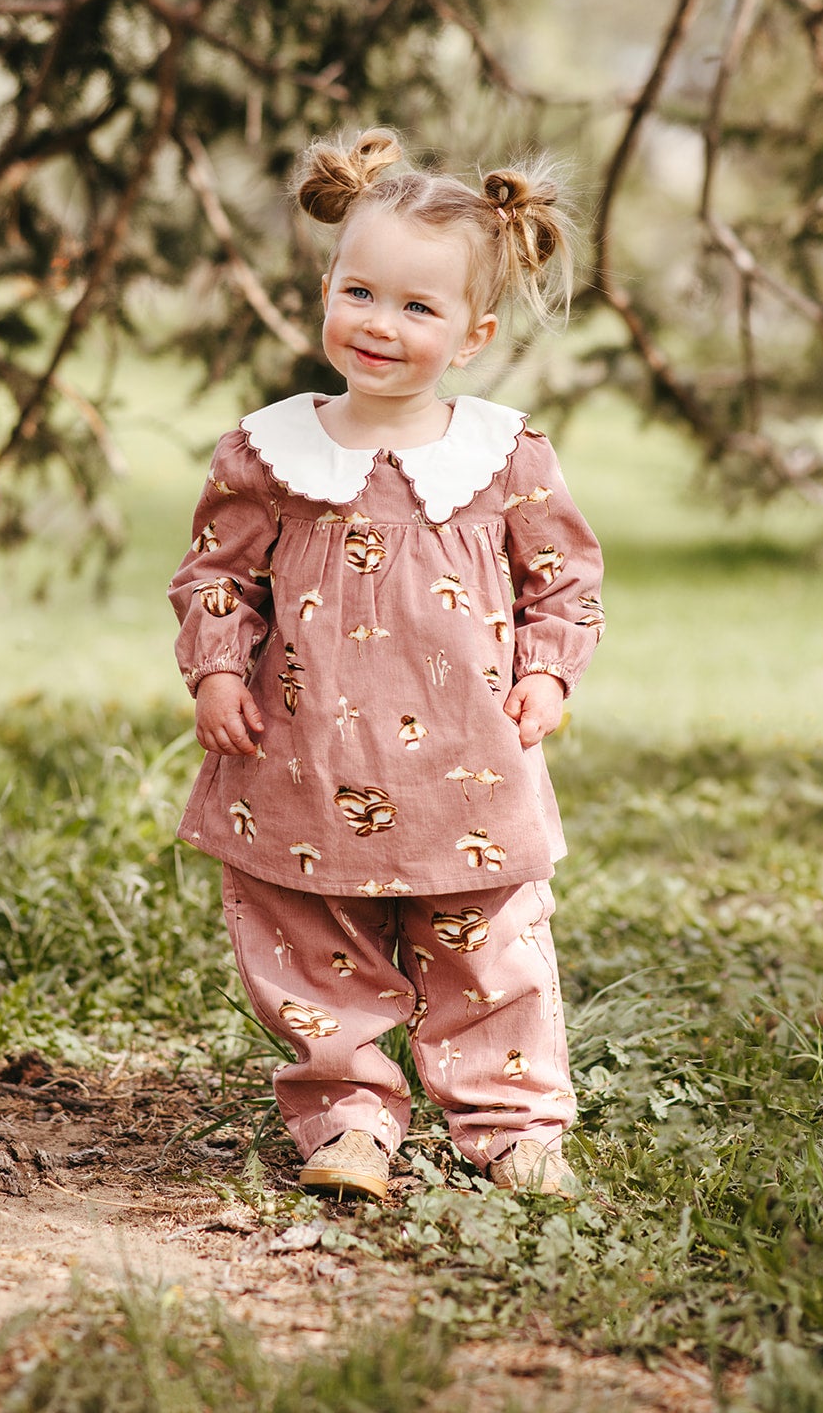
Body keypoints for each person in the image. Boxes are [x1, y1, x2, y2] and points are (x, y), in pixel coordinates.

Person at [168, 127, 604, 1201]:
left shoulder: (501, 455)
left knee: (486, 946)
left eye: (418, 308)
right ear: (325, 287)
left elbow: (562, 578)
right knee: (314, 947)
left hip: (463, 768)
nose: (381, 324)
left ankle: (509, 1122)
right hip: (303, 759)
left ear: (471, 334)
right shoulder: (271, 451)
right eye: (360, 292)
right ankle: (348, 1114)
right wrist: (217, 667)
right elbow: (215, 573)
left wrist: (545, 672)